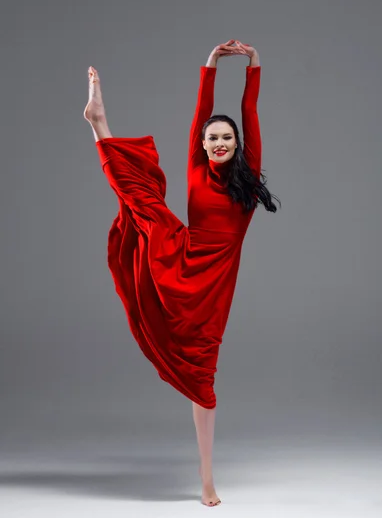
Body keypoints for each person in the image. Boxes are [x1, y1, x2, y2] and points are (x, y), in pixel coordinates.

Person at [83, 39, 280, 507]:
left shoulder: (247, 174)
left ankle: (206, 477)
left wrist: (254, 65)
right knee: (140, 200)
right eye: (211, 137)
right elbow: (202, 110)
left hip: (214, 286)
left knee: (202, 376)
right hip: (179, 254)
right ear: (203, 143)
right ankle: (99, 124)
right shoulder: (195, 163)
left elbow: (248, 112)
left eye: (225, 138)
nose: (217, 143)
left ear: (237, 145)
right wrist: (209, 65)